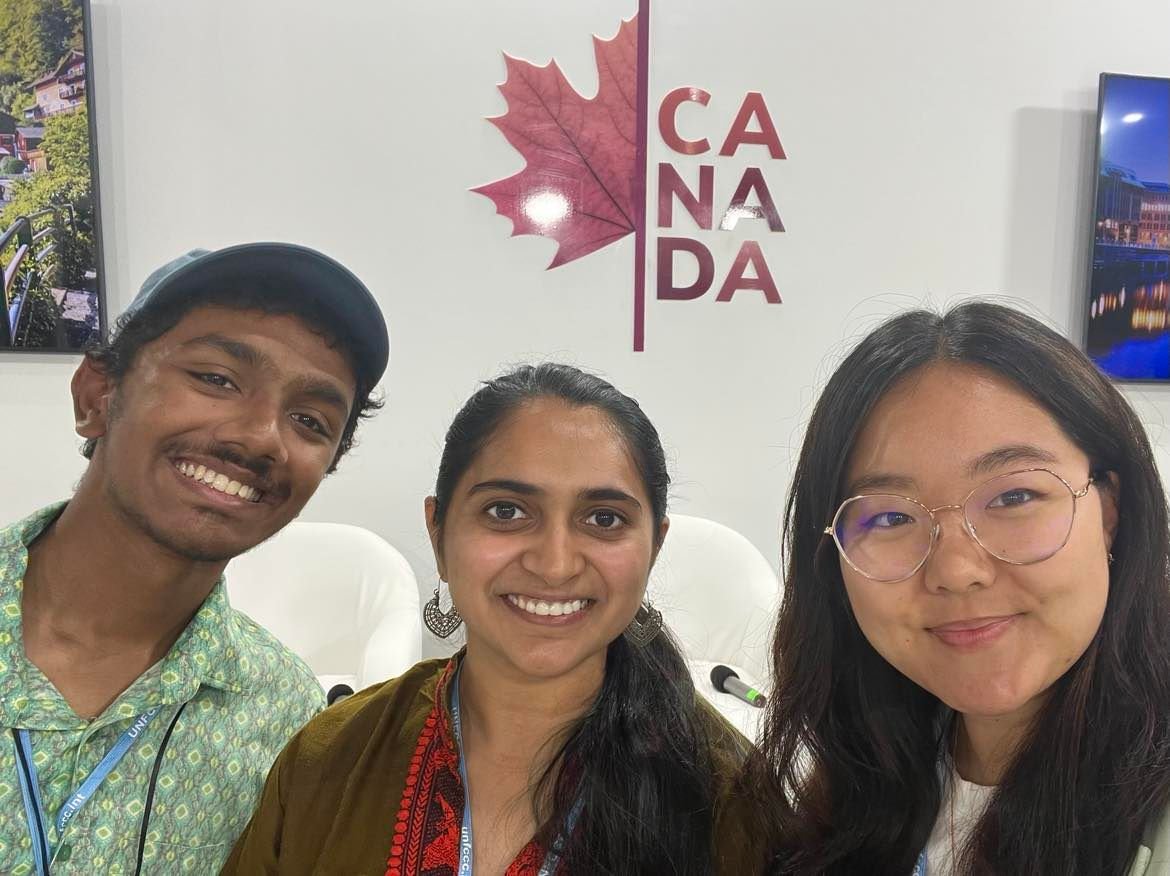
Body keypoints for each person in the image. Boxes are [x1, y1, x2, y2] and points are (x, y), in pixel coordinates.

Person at [223, 363, 752, 875]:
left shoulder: (733, 798)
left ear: (654, 548)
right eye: (506, 511)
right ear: (438, 534)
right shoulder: (332, 758)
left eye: (604, 519)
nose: (555, 564)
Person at [740, 301, 1170, 875]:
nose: (956, 569)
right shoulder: (860, 783)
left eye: (1013, 498)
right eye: (891, 518)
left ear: (1109, 510)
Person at [0, 243, 389, 875]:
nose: (262, 436)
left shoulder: (282, 713)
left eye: (310, 420)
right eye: (216, 379)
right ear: (96, 396)